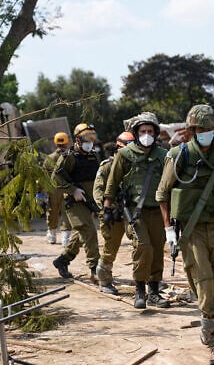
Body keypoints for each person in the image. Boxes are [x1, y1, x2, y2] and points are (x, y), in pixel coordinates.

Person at [156, 104, 214, 365]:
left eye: (210, 129)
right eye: (200, 129)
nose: (205, 133)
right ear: (191, 131)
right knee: (204, 281)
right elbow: (163, 195)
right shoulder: (178, 156)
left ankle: (209, 323)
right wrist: (169, 230)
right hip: (191, 229)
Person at [103, 112, 169, 309]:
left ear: (155, 133)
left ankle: (154, 292)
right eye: (143, 131)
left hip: (158, 211)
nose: (146, 134)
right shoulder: (125, 154)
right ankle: (140, 290)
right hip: (134, 211)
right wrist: (107, 208)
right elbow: (112, 183)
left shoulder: (164, 156)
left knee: (157, 250)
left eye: (150, 131)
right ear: (136, 133)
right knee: (143, 246)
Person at [52, 123, 101, 280]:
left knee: (82, 232)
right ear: (77, 140)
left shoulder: (94, 156)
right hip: (75, 202)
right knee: (89, 231)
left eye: (92, 138)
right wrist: (73, 190)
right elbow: (56, 177)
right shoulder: (69, 157)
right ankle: (95, 269)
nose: (90, 141)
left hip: (89, 200)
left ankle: (63, 260)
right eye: (87, 138)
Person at [93, 130, 135, 295]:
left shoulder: (136, 165)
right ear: (119, 148)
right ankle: (104, 280)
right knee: (111, 247)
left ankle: (149, 280)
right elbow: (98, 191)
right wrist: (107, 208)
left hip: (132, 212)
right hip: (114, 213)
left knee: (141, 243)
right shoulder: (107, 166)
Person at [44, 132, 72, 246]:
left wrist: (40, 190)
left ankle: (52, 235)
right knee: (67, 212)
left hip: (54, 188)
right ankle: (65, 238)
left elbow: (44, 175)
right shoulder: (71, 156)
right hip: (67, 188)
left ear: (55, 142)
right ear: (67, 141)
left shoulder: (50, 158)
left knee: (52, 211)